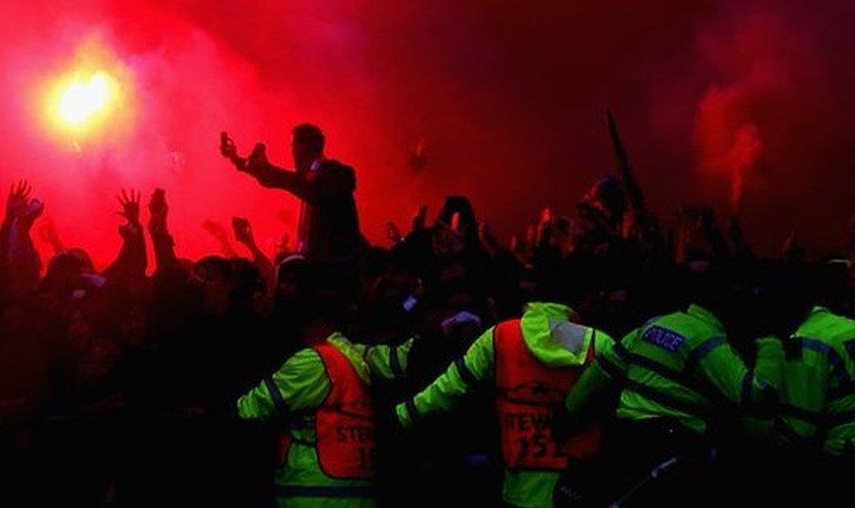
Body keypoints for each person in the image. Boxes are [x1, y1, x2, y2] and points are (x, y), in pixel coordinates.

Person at [563, 271, 781, 506]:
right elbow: (759, 397)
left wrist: (567, 412)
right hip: (671, 449)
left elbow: (602, 370)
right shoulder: (709, 342)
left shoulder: (653, 325)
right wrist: (771, 346)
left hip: (624, 435)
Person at [394, 300, 617, 507]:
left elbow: (450, 386)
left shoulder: (501, 336)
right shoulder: (600, 344)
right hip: (576, 489)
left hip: (518, 489)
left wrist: (400, 416)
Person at [236, 261, 378, 507]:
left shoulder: (314, 361)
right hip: (354, 495)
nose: (282, 290)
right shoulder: (351, 355)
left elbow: (249, 408)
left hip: (314, 496)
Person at [220, 124, 366, 265]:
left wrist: (263, 168)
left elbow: (305, 188)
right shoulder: (313, 176)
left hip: (334, 273)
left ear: (304, 147)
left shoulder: (331, 172)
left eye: (292, 145)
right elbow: (281, 180)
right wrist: (237, 159)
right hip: (322, 269)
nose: (291, 151)